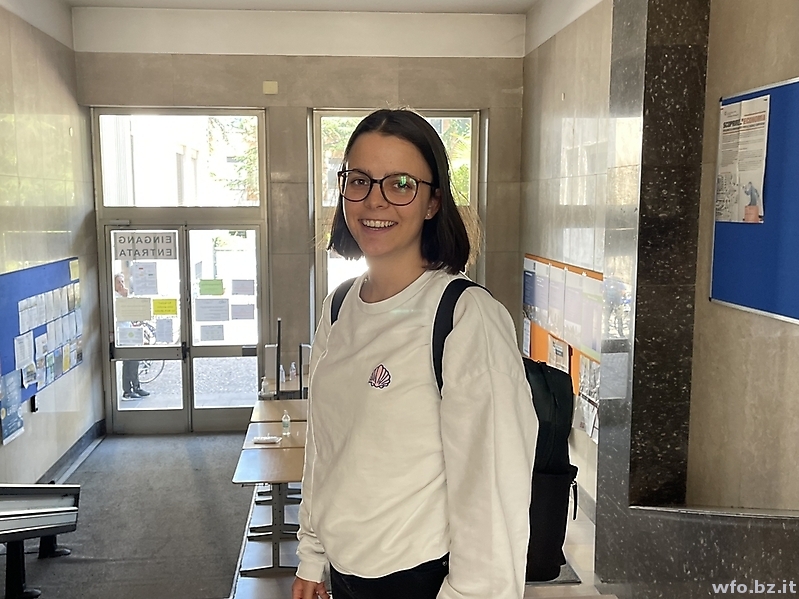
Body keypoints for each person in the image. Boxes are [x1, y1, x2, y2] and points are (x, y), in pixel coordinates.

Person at [292, 109, 538, 599]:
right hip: (345, 575)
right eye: (359, 180)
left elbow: (493, 490)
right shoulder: (339, 307)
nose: (374, 200)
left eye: (401, 183)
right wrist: (312, 555)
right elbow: (325, 446)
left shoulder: (464, 316)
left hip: (421, 581)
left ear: (433, 202)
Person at [114, 273, 150, 399]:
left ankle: (136, 387)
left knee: (134, 360)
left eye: (122, 281)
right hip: (122, 333)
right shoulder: (115, 298)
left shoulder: (123, 296)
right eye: (118, 282)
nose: (121, 284)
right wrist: (125, 298)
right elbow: (121, 314)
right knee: (128, 361)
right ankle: (128, 389)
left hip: (129, 331)